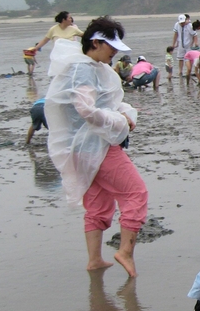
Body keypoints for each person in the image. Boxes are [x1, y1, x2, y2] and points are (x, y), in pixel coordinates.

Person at [45, 16, 147, 277]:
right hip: (95, 147)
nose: (114, 51)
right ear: (95, 42)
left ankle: (94, 260)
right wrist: (120, 120)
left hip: (78, 149)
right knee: (135, 193)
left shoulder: (82, 66)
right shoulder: (85, 69)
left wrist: (123, 113)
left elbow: (103, 103)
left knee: (99, 203)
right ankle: (125, 251)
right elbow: (86, 110)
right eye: (111, 46)